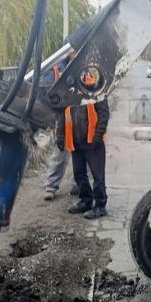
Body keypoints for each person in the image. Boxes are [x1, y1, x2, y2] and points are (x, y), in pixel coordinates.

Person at [57, 72, 110, 219]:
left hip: (93, 141)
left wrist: (98, 136)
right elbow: (62, 115)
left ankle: (100, 205)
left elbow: (104, 114)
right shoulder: (68, 90)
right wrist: (60, 136)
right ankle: (85, 200)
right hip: (75, 141)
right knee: (79, 174)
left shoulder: (95, 87)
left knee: (98, 176)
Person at [43, 55, 80, 200]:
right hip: (62, 120)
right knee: (59, 154)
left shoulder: (82, 67)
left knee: (80, 157)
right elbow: (47, 93)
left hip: (79, 120)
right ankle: (51, 187)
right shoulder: (56, 69)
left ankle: (77, 185)